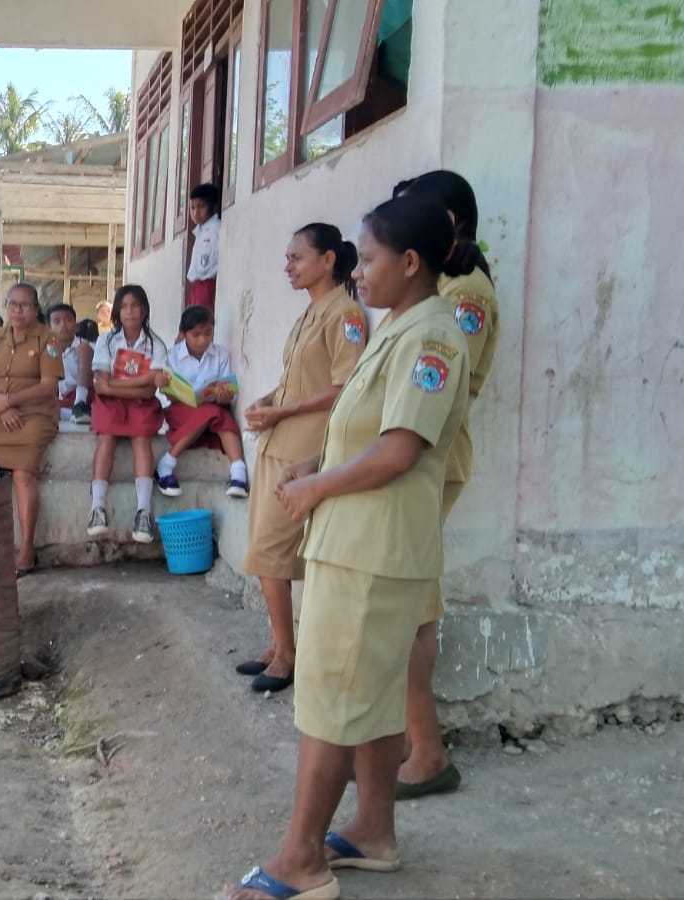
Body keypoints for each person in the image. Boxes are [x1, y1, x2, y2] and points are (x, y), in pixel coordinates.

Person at [224, 195, 472, 900]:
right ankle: (372, 831)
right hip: (359, 542)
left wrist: (316, 487)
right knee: (369, 694)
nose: (358, 273)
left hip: (373, 547)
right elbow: (364, 429)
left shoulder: (431, 339)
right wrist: (314, 463)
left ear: (411, 262)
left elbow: (400, 449)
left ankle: (301, 860)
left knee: (332, 697)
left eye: (367, 259)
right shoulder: (400, 328)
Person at [390, 170, 501, 799]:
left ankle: (428, 752)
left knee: (409, 609)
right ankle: (412, 742)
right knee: (410, 606)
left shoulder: (466, 296)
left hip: (426, 459)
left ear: (450, 223)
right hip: (413, 456)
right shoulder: (441, 289)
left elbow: (435, 391)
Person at [238, 223, 367, 694]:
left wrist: (284, 410)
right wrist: (270, 402)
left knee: (271, 552)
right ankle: (278, 642)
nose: (288, 267)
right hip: (279, 442)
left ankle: (287, 656)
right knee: (264, 550)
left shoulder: (346, 314)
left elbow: (346, 386)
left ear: (327, 260)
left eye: (297, 258)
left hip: (305, 449)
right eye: (288, 258)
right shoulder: (310, 312)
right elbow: (297, 379)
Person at [0, 284, 63, 576]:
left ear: (36, 309)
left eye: (25, 305)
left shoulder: (48, 338)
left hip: (35, 413)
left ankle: (27, 549)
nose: (18, 310)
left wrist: (9, 401)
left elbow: (49, 386)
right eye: (13, 304)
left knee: (22, 474)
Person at [88, 284, 170, 544]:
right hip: (110, 403)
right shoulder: (106, 340)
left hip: (140, 403)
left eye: (135, 305)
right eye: (123, 306)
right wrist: (144, 379)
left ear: (144, 310)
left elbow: (149, 391)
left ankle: (143, 511)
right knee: (107, 437)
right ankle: (97, 507)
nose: (129, 311)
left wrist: (114, 385)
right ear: (117, 311)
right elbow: (100, 385)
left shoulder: (156, 344)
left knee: (141, 438)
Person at [157, 304, 249, 498]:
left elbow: (227, 389)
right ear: (183, 334)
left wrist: (224, 394)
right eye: (196, 334)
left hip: (213, 407)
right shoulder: (171, 356)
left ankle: (239, 477)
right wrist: (178, 393)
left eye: (208, 333)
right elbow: (167, 393)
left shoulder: (221, 355)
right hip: (180, 409)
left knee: (222, 416)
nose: (203, 340)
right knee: (214, 414)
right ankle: (166, 464)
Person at [45, 303, 91, 416]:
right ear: (48, 329)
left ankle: (80, 405)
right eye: (57, 321)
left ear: (77, 326)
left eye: (68, 320)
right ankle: (70, 414)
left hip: (82, 396)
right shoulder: (46, 350)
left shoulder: (86, 347)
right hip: (56, 398)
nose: (63, 325)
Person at [186, 183, 223, 311]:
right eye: (192, 208)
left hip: (208, 286)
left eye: (201, 207)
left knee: (201, 320)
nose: (196, 213)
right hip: (197, 287)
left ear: (213, 206)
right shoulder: (200, 231)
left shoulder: (216, 229)